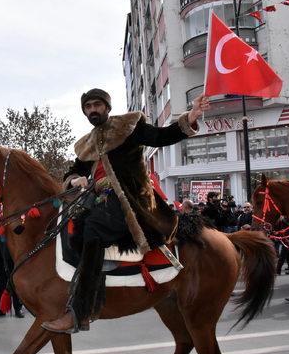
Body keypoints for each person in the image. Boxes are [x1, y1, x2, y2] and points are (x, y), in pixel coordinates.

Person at [42, 89, 208, 333]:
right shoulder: (86, 143)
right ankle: (94, 292)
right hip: (103, 201)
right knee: (74, 231)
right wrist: (76, 179)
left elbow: (161, 136)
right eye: (88, 107)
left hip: (133, 201)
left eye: (97, 105)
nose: (92, 110)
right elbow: (73, 170)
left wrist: (191, 115)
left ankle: (80, 311)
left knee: (93, 228)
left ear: (107, 107)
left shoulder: (128, 126)